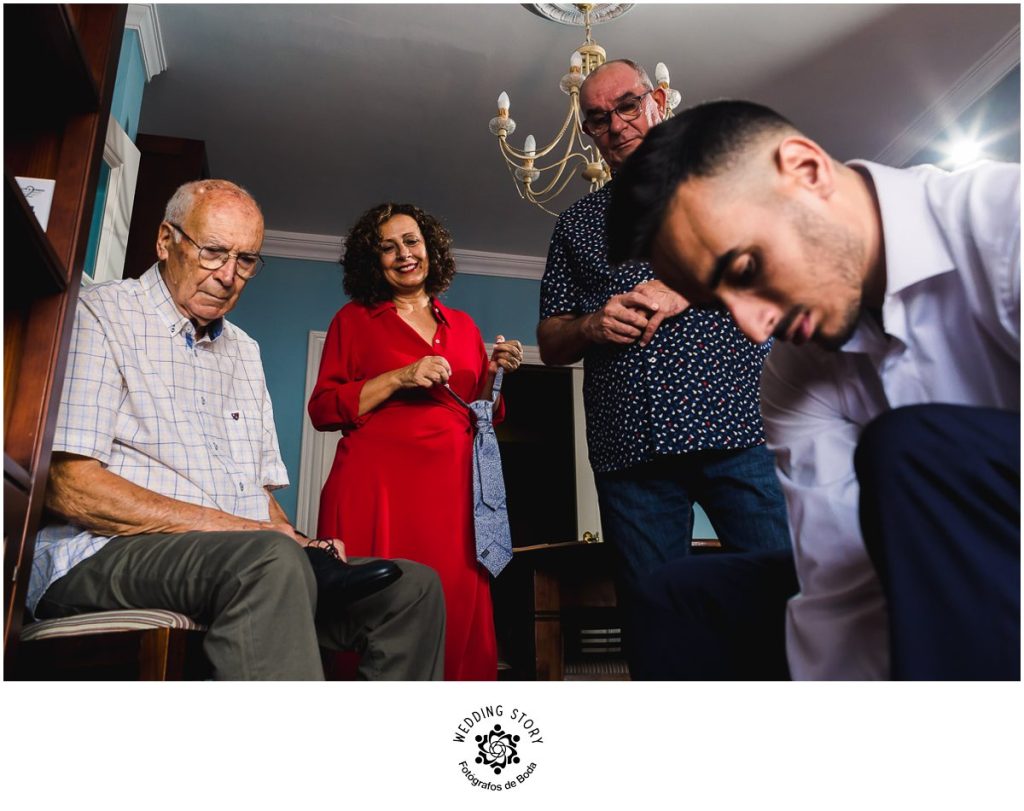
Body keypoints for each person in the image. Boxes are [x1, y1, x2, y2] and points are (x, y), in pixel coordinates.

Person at [606, 99, 1020, 680]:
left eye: (746, 270)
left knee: (909, 449)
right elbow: (839, 588)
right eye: (717, 303)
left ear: (807, 171)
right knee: (681, 594)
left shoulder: (1006, 222)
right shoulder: (795, 373)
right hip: (938, 582)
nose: (753, 326)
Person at [28, 179, 446, 680]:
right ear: (166, 241)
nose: (228, 276)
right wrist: (260, 536)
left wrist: (298, 539)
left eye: (246, 260)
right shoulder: (101, 312)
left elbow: (256, 493)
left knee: (412, 588)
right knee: (269, 559)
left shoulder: (244, 351)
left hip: (238, 556)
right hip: (101, 553)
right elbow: (69, 488)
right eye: (212, 252)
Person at [536, 60, 793, 674]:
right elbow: (549, 339)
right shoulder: (575, 222)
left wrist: (688, 285)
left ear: (658, 101)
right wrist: (592, 324)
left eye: (626, 106)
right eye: (597, 119)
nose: (616, 126)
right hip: (630, 456)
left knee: (788, 592)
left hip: (737, 433)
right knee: (656, 617)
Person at [309, 202, 523, 681]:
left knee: (456, 600)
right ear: (373, 260)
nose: (403, 254)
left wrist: (493, 375)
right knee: (378, 604)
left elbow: (476, 411)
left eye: (411, 242)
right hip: (377, 487)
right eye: (387, 247)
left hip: (453, 491)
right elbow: (323, 409)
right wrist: (402, 375)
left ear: (430, 250)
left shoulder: (463, 326)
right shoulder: (354, 319)